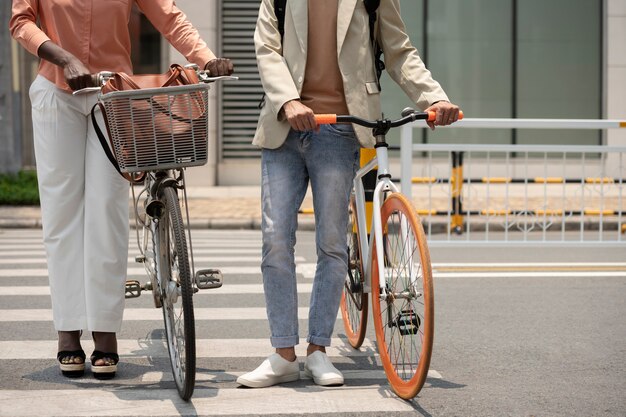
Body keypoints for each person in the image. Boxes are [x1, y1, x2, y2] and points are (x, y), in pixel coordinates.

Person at [237, 0, 460, 388]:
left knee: (333, 243)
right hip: (283, 129)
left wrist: (433, 97)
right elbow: (267, 48)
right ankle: (283, 354)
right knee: (275, 240)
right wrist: (288, 100)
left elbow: (399, 50)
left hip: (341, 127)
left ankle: (318, 350)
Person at [9, 0, 233, 379]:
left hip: (112, 95)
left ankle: (105, 332)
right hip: (55, 92)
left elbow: (167, 14)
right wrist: (64, 59)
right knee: (62, 216)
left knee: (108, 212)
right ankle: (67, 331)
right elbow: (21, 22)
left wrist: (206, 57)